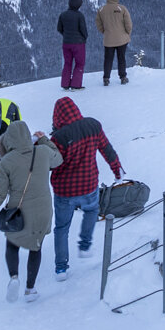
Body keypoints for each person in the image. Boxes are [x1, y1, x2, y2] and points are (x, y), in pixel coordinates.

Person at [0, 120, 62, 302]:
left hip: (18, 212)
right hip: (43, 211)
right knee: (35, 248)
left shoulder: (6, 162)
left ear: (9, 140)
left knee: (12, 245)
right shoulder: (43, 152)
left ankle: (14, 277)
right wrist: (44, 139)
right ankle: (30, 289)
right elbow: (59, 158)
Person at [48, 95, 124, 280]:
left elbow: (51, 164)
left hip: (64, 191)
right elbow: (107, 149)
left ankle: (61, 268)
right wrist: (116, 169)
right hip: (88, 185)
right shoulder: (93, 126)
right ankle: (85, 244)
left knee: (62, 228)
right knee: (92, 211)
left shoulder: (59, 137)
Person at [96, 0, 133, 86]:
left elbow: (98, 24)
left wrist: (105, 32)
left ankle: (106, 78)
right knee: (121, 58)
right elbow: (128, 24)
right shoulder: (122, 8)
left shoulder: (101, 9)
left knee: (108, 59)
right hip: (122, 39)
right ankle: (123, 77)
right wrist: (127, 33)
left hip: (108, 39)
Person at [56, 0, 90, 90]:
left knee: (67, 63)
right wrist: (84, 38)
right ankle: (75, 85)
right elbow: (83, 30)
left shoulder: (63, 15)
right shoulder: (79, 15)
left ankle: (65, 84)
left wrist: (65, 35)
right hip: (78, 44)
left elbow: (59, 28)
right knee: (79, 63)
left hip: (66, 43)